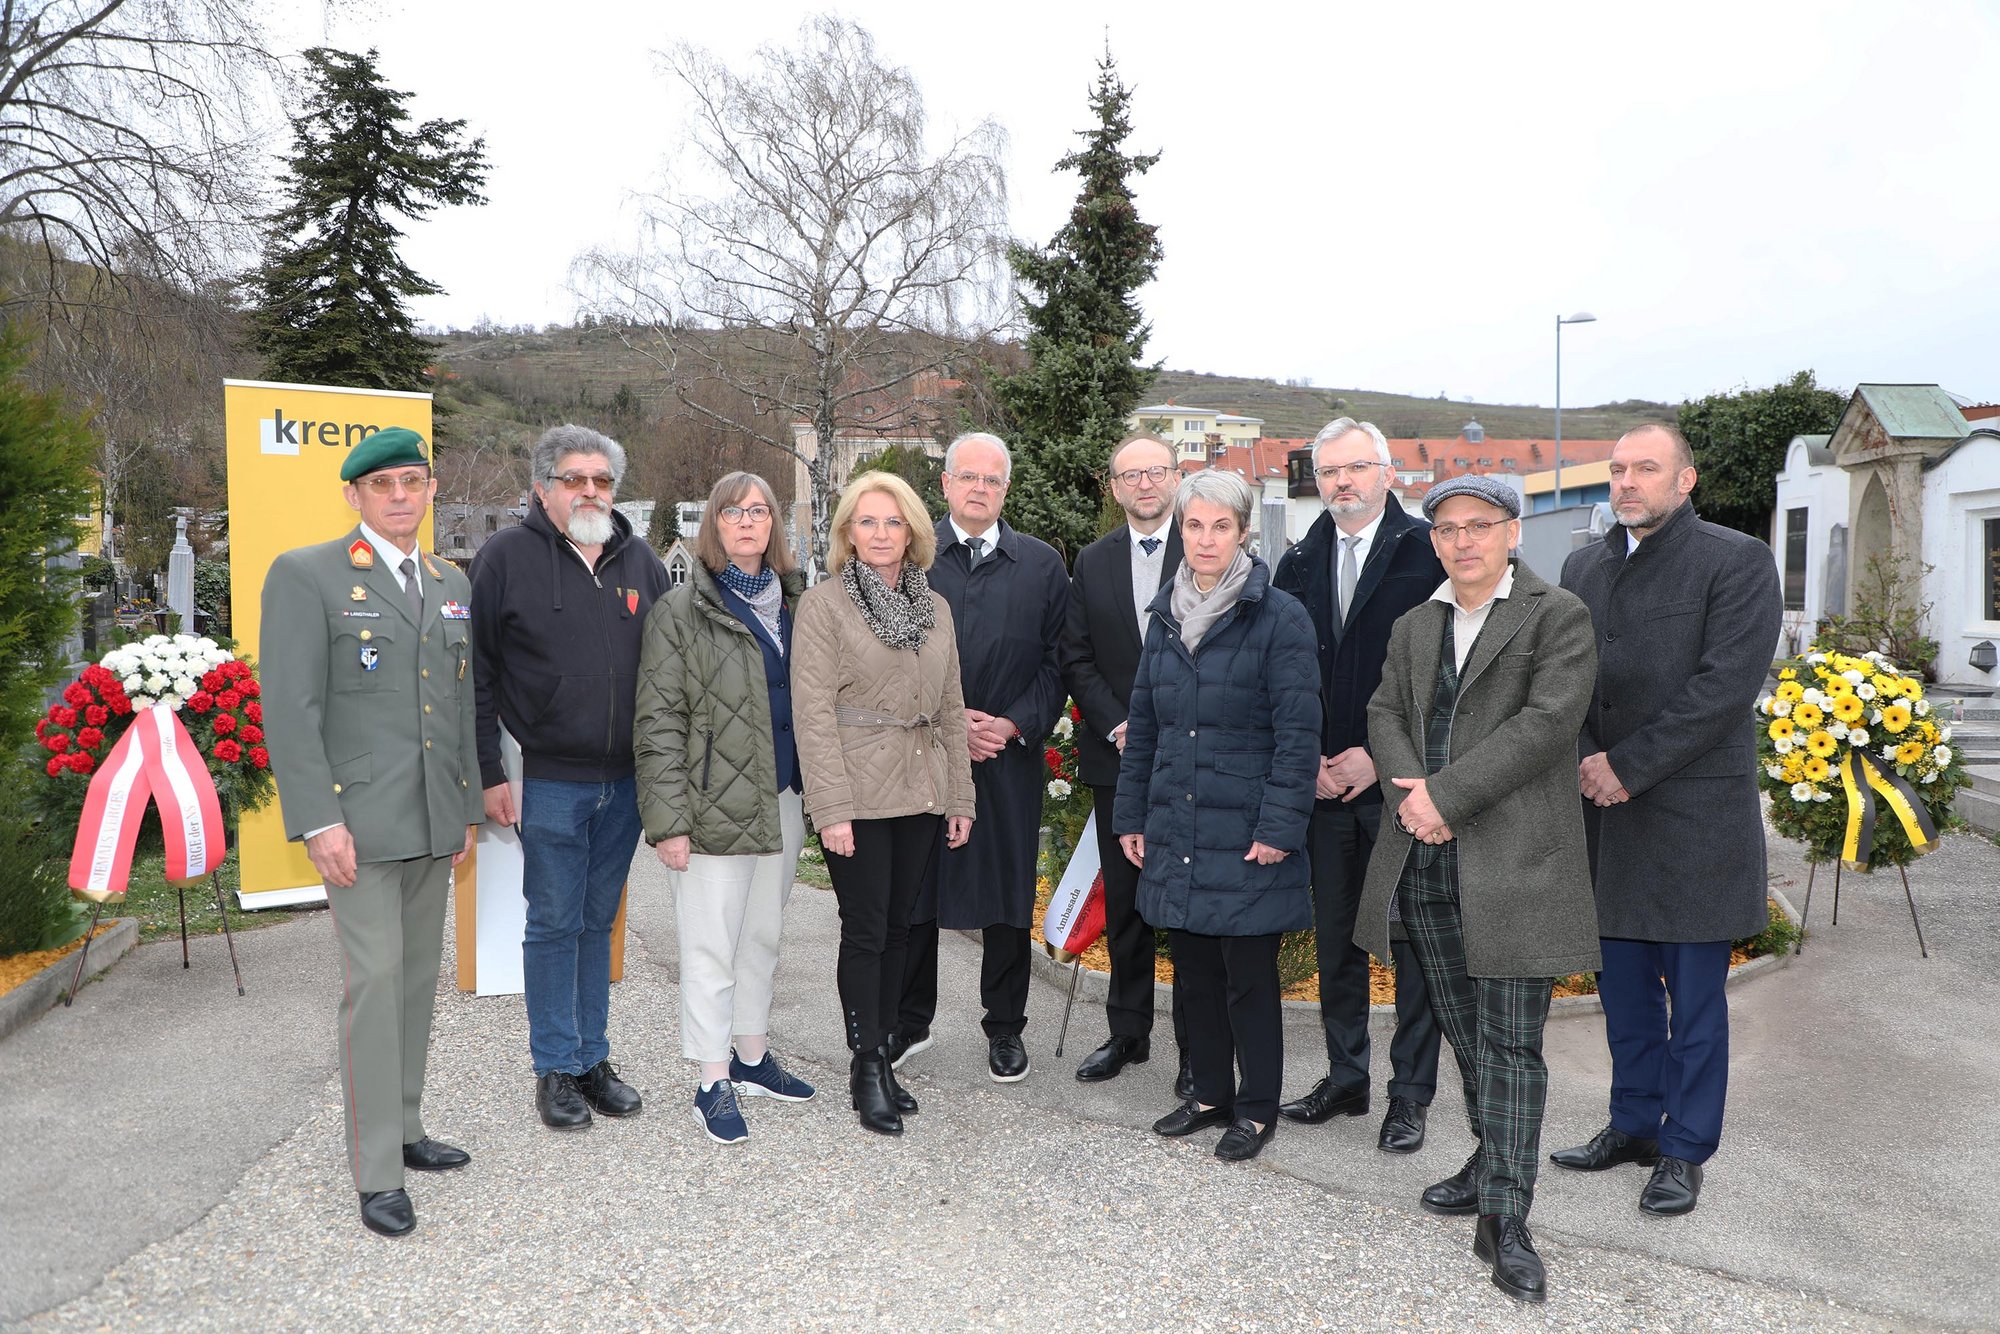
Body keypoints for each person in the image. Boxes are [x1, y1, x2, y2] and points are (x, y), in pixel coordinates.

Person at [1354, 473, 1600, 1304]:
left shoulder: (1556, 616)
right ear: (1434, 541)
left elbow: (1547, 724)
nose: (1464, 540)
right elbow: (1383, 712)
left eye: (1480, 525)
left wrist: (1444, 798)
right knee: (1468, 1037)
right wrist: (1412, 797)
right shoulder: (1414, 625)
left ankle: (1507, 1220)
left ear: (1512, 533)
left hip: (1516, 866)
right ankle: (1493, 1156)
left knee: (1513, 1047)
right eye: (1448, 528)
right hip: (1424, 861)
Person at [1550, 423, 1783, 1217]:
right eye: (1617, 470)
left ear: (1684, 480)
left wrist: (1627, 765)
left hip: (1691, 814)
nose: (1626, 482)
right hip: (1605, 817)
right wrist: (1587, 756)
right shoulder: (1585, 564)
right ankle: (1632, 1125)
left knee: (1694, 1005)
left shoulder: (1735, 559)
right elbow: (1564, 676)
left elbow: (1724, 687)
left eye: (1645, 469)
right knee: (1625, 996)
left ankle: (1684, 1150)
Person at [260, 426, 482, 1238]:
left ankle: (407, 1127)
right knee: (375, 986)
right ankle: (375, 1168)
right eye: (382, 483)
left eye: (413, 482)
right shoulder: (308, 575)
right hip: (356, 822)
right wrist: (319, 820)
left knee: (417, 981)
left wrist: (461, 810)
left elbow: (457, 705)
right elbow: (291, 708)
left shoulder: (449, 578)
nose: (400, 495)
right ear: (353, 495)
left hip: (430, 820)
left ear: (429, 491)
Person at [1115, 469, 1320, 1163]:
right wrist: (1131, 816)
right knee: (1194, 970)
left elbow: (1298, 738)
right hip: (1178, 820)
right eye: (1193, 525)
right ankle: (1208, 1094)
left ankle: (1257, 1108)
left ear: (1242, 533)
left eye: (1220, 526)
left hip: (1247, 829)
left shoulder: (1279, 617)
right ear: (1181, 529)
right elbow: (1144, 723)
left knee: (1248, 977)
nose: (1205, 539)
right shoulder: (1167, 614)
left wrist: (1278, 828)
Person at [469, 424, 667, 1132]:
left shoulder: (642, 562)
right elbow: (479, 674)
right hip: (546, 777)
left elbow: (667, 675)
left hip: (626, 782)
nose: (590, 491)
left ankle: (591, 1059)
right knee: (553, 920)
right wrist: (490, 772)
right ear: (542, 488)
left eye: (603, 481)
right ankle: (553, 1066)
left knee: (596, 918)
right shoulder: (503, 558)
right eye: (575, 479)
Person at [1272, 418, 1445, 1153]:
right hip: (1320, 788)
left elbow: (1447, 678)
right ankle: (1347, 1078)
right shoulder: (1298, 562)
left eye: (1356, 468)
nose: (1343, 482)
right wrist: (1305, 756)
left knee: (1411, 943)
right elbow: (1278, 672)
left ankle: (1409, 1095)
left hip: (1399, 785)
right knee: (1337, 939)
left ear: (1386, 472)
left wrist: (1379, 758)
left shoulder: (1426, 555)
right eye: (1330, 471)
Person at [634, 472, 816, 1145]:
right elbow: (657, 723)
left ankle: (750, 1056)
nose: (747, 521)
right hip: (712, 806)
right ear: (714, 523)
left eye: (760, 510)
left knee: (762, 936)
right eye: (734, 511)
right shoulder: (681, 609)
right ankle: (711, 1080)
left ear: (774, 525)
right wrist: (668, 823)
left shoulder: (799, 602)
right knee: (710, 946)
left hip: (784, 799)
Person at [793, 471, 975, 1135]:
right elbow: (812, 716)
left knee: (902, 929)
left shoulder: (937, 609)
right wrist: (831, 809)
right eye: (866, 522)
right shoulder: (824, 607)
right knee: (867, 931)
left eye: (892, 522)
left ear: (912, 534)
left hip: (922, 791)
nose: (879, 534)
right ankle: (865, 1062)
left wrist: (960, 794)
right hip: (859, 795)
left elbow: (952, 707)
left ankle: (887, 1050)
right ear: (848, 532)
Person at [894, 433, 1068, 1084]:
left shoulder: (1044, 566)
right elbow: (887, 659)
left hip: (1006, 759)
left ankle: (1005, 1028)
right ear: (944, 485)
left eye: (992, 481)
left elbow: (1058, 663)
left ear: (1005, 490)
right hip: (921, 757)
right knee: (916, 892)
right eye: (968, 477)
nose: (979, 489)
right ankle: (911, 1021)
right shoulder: (910, 562)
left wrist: (1015, 723)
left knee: (1005, 897)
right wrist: (947, 722)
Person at [1058, 434, 1189, 1087]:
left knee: (1193, 908)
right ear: (1113, 488)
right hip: (1119, 761)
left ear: (1176, 476)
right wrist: (1116, 725)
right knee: (1129, 905)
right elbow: (1076, 656)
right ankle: (1127, 1035)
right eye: (1130, 475)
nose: (1145, 484)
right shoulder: (1092, 560)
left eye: (1156, 471)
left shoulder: (1208, 547)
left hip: (1195, 762)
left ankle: (1197, 1049)